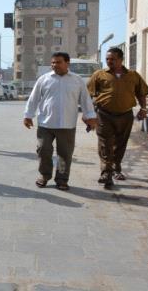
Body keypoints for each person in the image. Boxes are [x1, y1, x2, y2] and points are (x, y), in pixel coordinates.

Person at [23, 52, 98, 191]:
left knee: (65, 154)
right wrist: (28, 115)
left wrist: (90, 117)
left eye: (58, 62)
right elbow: (33, 99)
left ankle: (62, 179)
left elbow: (86, 100)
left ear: (67, 63)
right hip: (46, 123)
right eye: (53, 62)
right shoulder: (43, 79)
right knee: (43, 150)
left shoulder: (77, 80)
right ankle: (44, 175)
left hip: (67, 124)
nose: (54, 65)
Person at [87, 47, 148, 190]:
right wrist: (89, 115)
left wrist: (144, 109)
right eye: (107, 59)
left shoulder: (133, 75)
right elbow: (88, 95)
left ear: (121, 60)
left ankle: (116, 168)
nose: (109, 61)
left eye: (113, 59)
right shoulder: (99, 74)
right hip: (104, 115)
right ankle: (106, 174)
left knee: (120, 144)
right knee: (105, 144)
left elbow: (141, 93)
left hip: (126, 115)